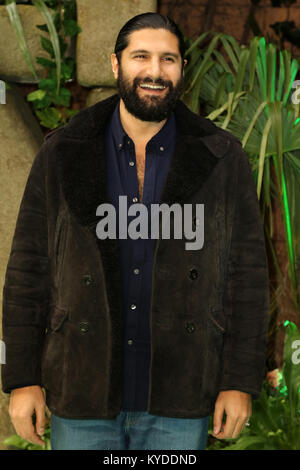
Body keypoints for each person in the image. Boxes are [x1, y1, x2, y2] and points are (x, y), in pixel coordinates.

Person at [1, 12, 270, 450]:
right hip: (82, 389)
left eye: (169, 59)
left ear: (182, 69)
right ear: (115, 65)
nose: (154, 71)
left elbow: (249, 278)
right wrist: (23, 379)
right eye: (140, 56)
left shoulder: (221, 158)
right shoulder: (64, 151)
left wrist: (240, 381)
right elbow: (28, 271)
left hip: (181, 392)